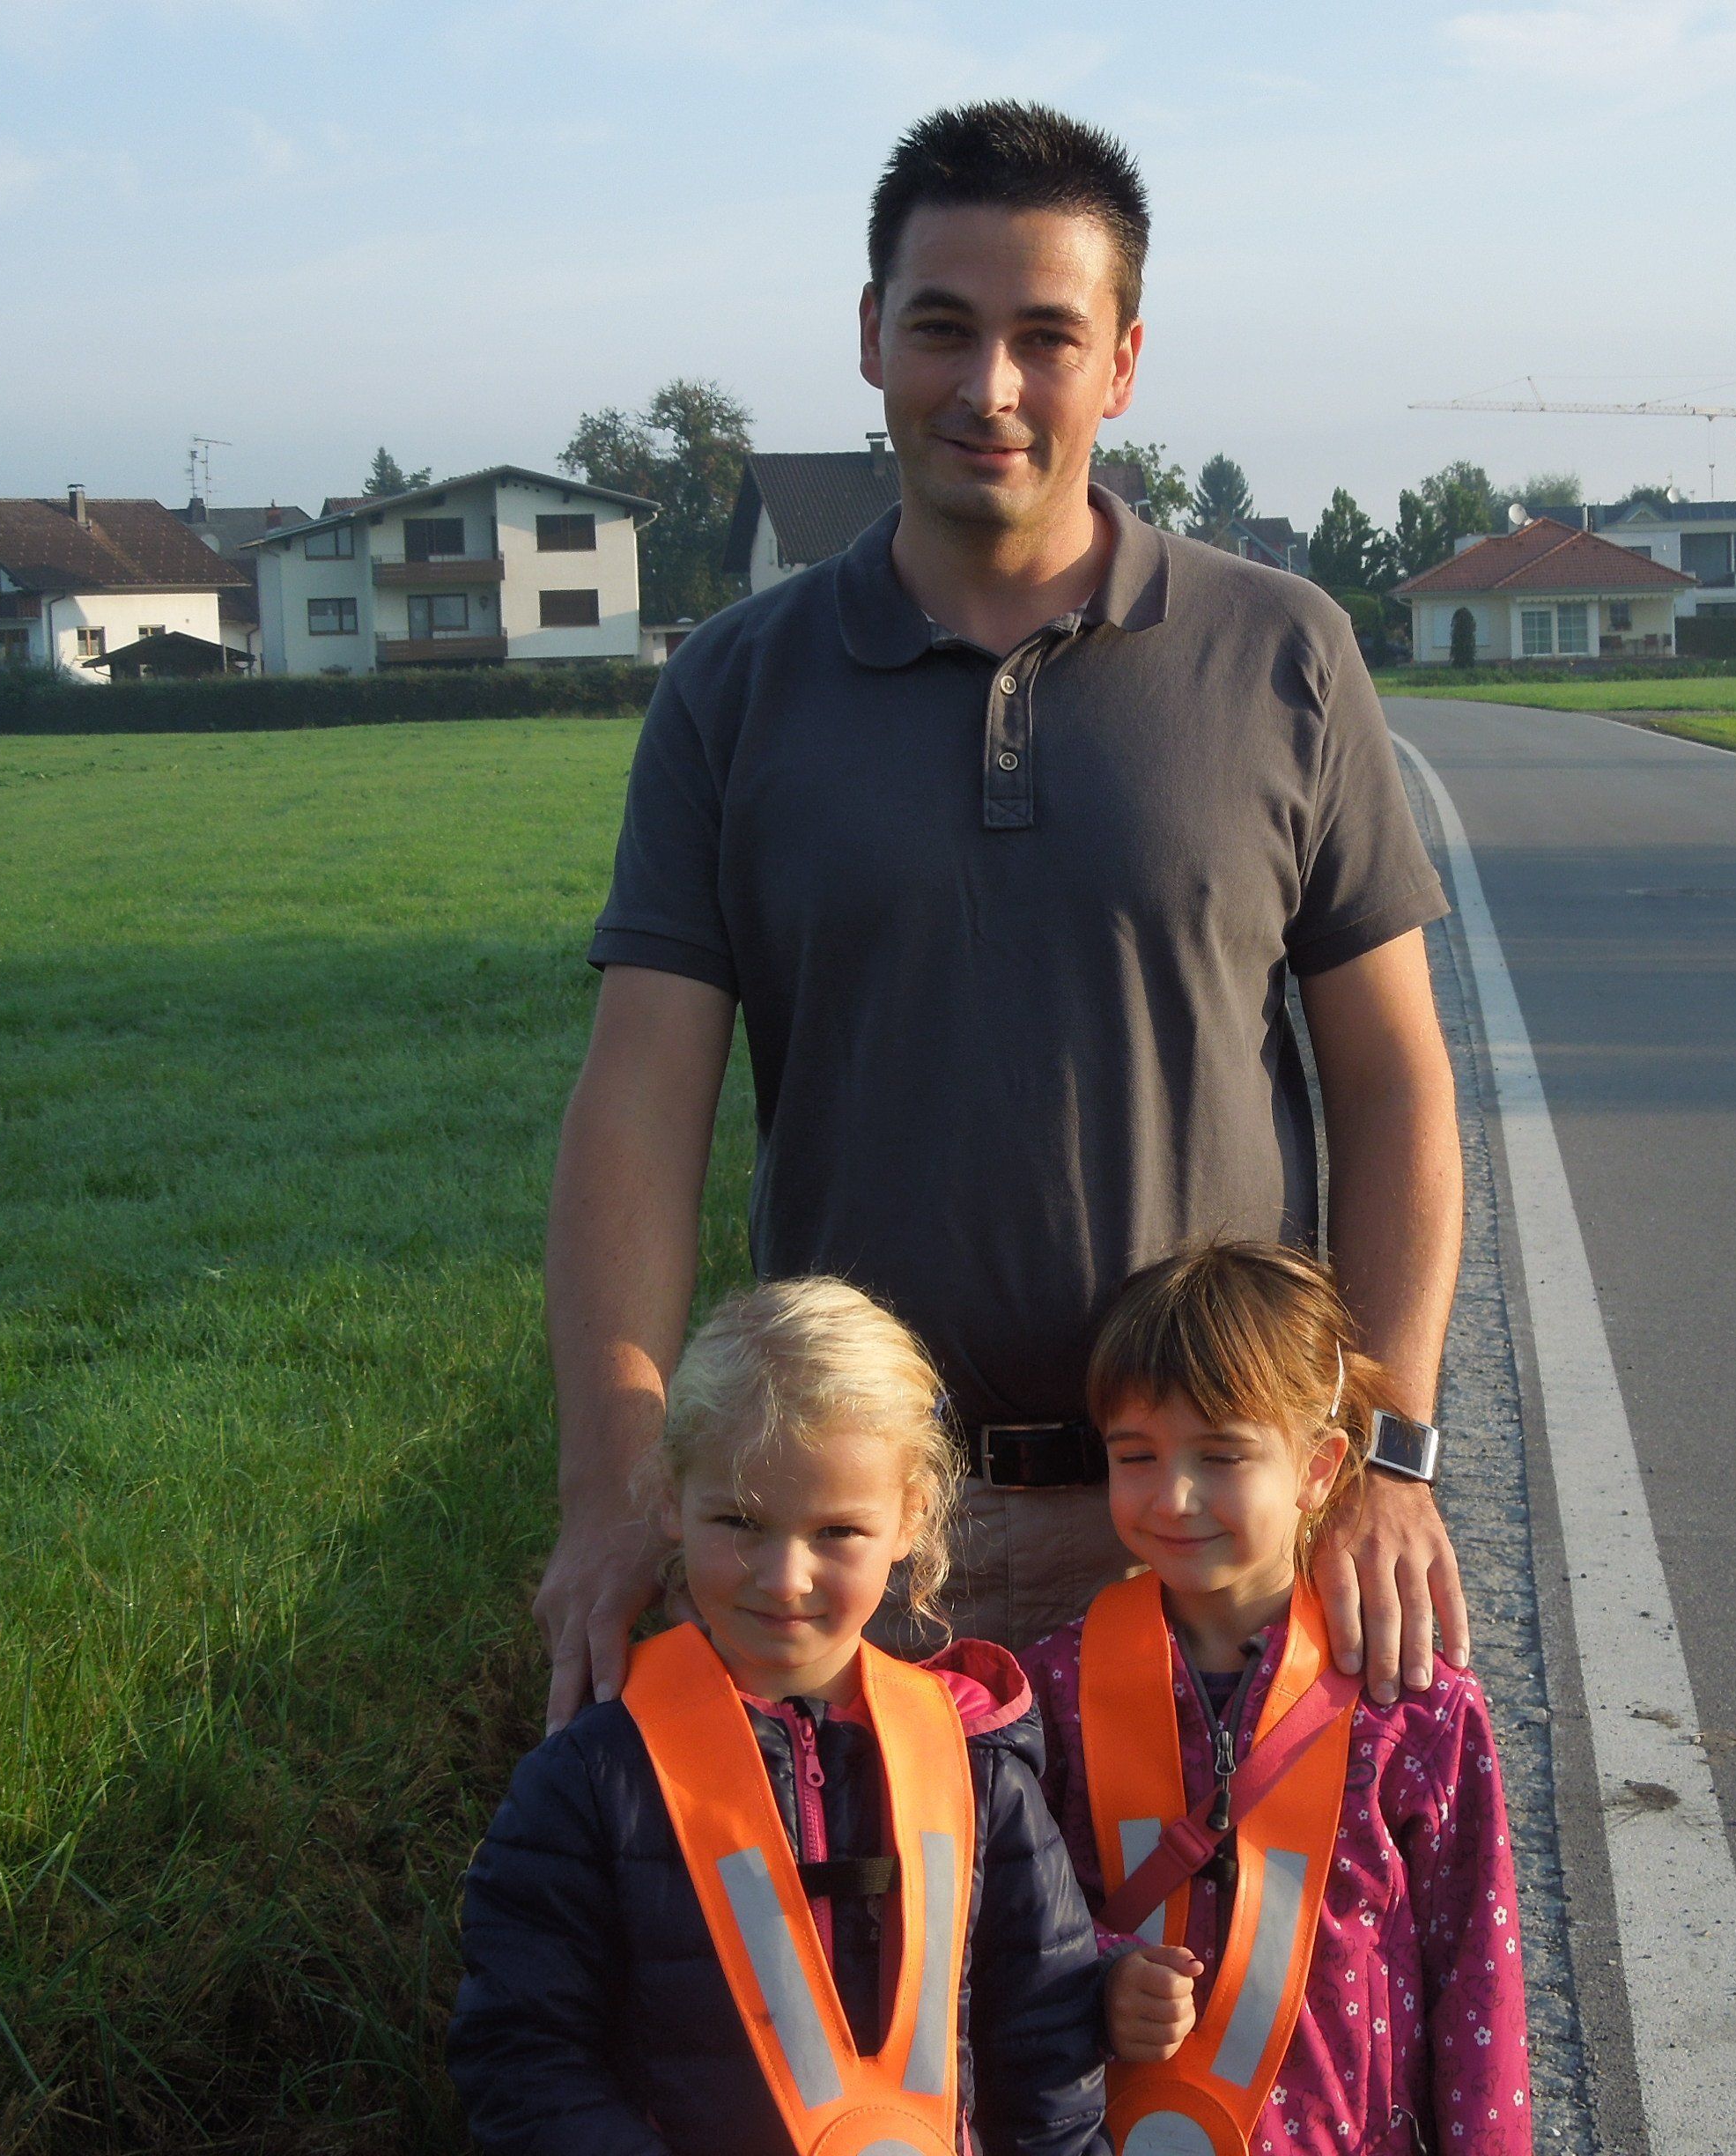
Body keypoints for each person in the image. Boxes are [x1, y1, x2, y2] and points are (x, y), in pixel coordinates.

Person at [536, 100, 1469, 1728]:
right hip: (852, 1560)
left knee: (1228, 1986)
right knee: (888, 1986)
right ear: (870, 339)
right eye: (944, 329)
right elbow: (636, 1111)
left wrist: (1387, 1455)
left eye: (1048, 335)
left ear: (1122, 361)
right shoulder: (735, 689)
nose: (991, 389)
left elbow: (1393, 1082)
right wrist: (615, 1490)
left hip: (1216, 1540)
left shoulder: (1283, 652)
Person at [449, 1279, 1112, 2156]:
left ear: (911, 1516)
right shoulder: (592, 1780)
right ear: (669, 1497)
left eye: (837, 1531)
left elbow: (1047, 2048)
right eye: (739, 1522)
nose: (785, 1577)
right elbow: (522, 2059)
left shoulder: (977, 1771)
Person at [1023, 1241, 1529, 2156]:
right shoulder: (1051, 1691)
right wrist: (1100, 1978)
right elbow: (1012, 1933)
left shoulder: (1413, 1708)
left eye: (1221, 1456)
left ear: (1318, 1467)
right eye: (1134, 1455)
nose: (1172, 1497)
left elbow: (1477, 1979)